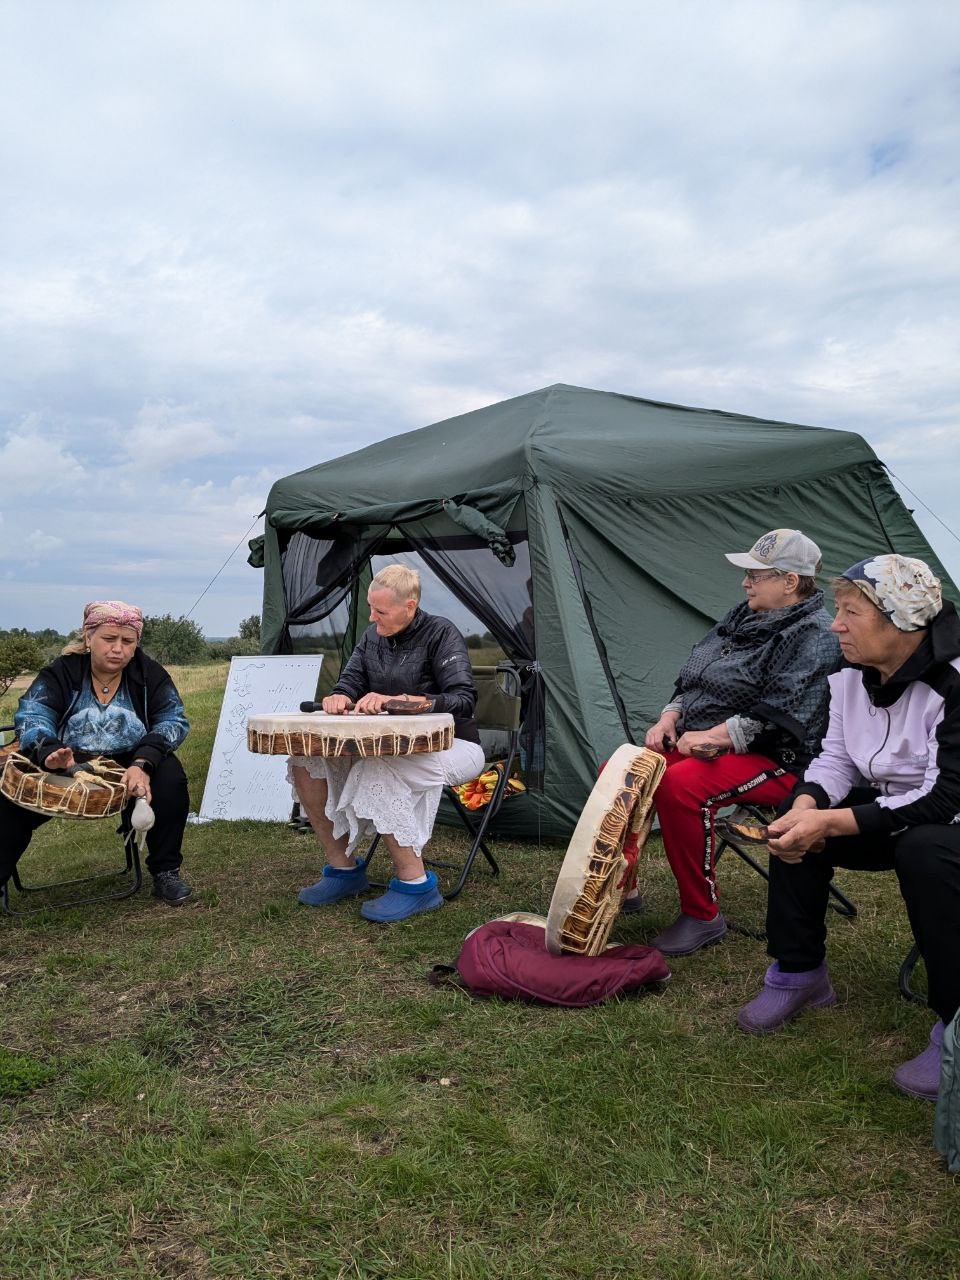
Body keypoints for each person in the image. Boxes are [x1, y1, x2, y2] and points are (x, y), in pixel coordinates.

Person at [738, 555, 960, 1107]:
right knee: (798, 826)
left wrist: (833, 820)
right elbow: (834, 759)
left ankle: (956, 1027)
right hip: (899, 809)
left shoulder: (954, 684)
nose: (836, 624)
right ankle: (799, 972)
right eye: (838, 610)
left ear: (901, 621)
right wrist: (807, 806)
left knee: (924, 850)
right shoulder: (852, 679)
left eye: (851, 612)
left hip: (948, 823)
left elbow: (947, 796)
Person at [642, 529, 840, 955]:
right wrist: (670, 715)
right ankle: (616, 885)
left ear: (790, 581)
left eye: (755, 574)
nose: (745, 582)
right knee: (624, 774)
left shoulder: (814, 634)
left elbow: (784, 714)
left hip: (782, 760)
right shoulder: (738, 621)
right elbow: (693, 677)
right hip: (710, 744)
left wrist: (714, 736)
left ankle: (701, 915)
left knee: (680, 787)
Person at [291, 564, 484, 922]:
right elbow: (349, 682)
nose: (372, 617)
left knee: (377, 769)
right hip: (388, 745)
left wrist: (398, 700)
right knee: (305, 762)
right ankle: (344, 871)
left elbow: (463, 699)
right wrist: (338, 696)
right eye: (370, 608)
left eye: (381, 611)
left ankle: (416, 885)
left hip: (455, 744)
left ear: (409, 606)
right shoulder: (371, 637)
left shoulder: (441, 632)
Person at [1, 601, 192, 905]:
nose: (118, 649)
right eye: (109, 639)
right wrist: (49, 752)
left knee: (170, 781)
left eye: (127, 641)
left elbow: (173, 719)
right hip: (67, 757)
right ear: (88, 637)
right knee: (8, 798)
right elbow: (33, 714)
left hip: (132, 755)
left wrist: (144, 762)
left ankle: (165, 872)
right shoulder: (61, 672)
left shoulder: (149, 674)